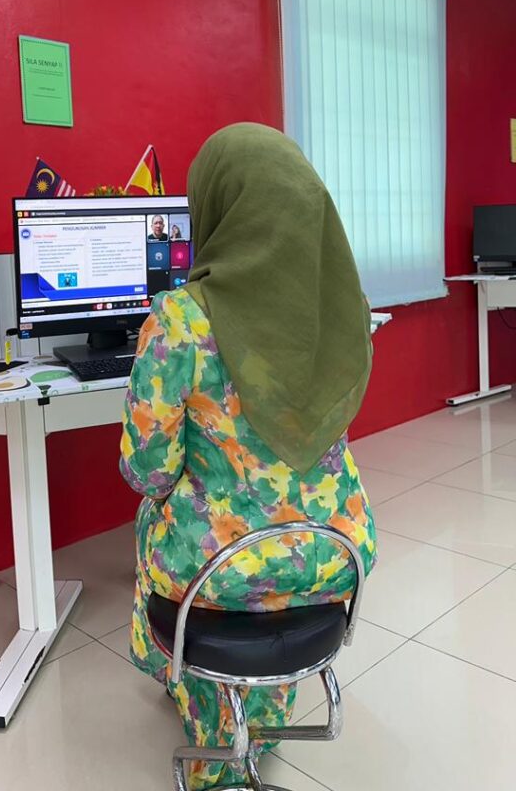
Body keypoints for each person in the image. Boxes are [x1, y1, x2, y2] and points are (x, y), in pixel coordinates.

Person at [120, 123, 376, 790]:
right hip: (334, 559)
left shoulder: (179, 321)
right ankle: (258, 715)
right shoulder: (344, 310)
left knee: (154, 521)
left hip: (221, 575)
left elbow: (146, 470)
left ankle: (193, 697)